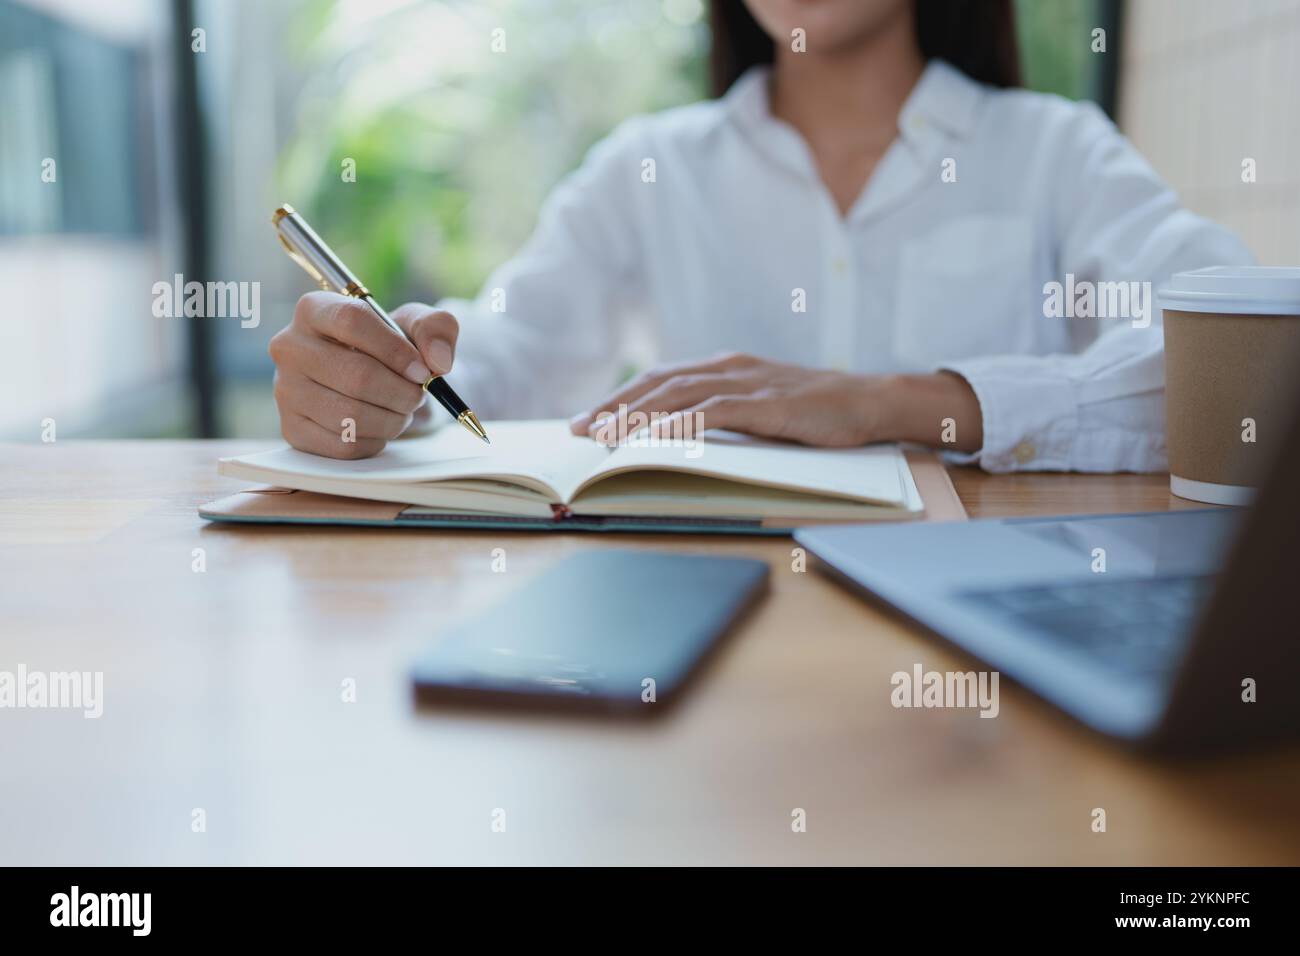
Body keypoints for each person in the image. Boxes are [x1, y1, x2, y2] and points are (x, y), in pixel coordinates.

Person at [268, 0, 1251, 470]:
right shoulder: (647, 165)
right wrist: (382, 382)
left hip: (979, 661)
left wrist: (902, 400)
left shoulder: (1050, 152)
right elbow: (508, 355)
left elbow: (1248, 366)